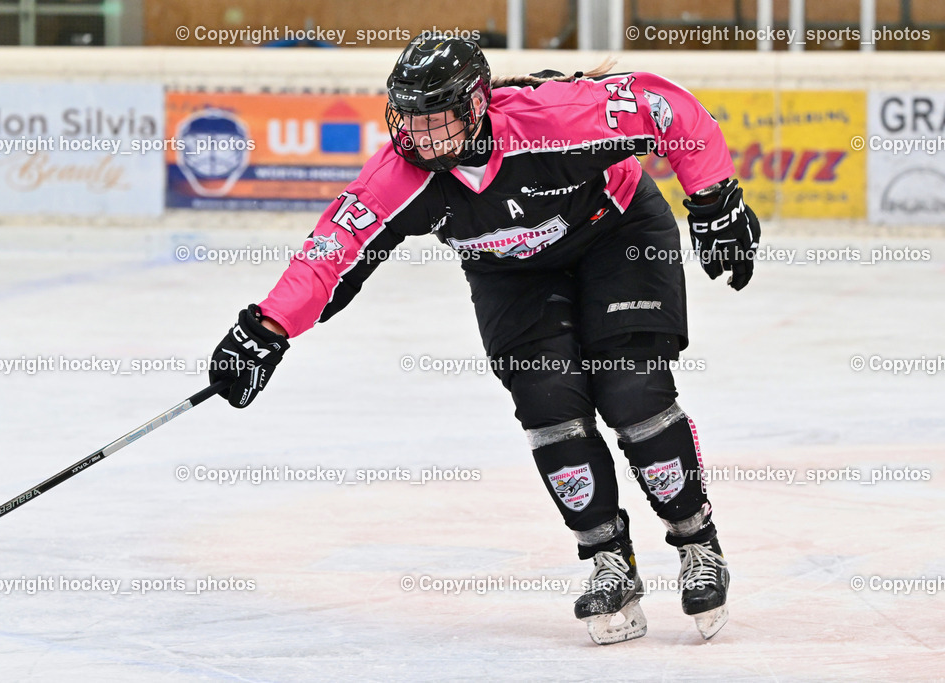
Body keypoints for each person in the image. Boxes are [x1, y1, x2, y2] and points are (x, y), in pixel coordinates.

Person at [208, 35, 760, 645]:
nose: (420, 136)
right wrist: (264, 330)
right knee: (549, 404)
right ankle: (609, 560)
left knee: (631, 390)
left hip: (616, 235)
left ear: (475, 105)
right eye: (408, 119)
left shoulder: (550, 120)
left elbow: (668, 108)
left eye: (435, 118)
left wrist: (715, 203)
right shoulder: (401, 174)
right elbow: (332, 253)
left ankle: (696, 543)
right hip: (509, 271)